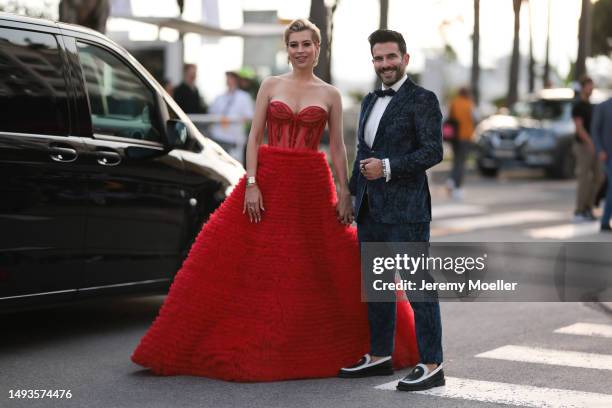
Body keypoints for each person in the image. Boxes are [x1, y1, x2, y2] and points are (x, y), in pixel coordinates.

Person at [131, 19, 419, 382]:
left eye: (306, 44)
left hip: (311, 183)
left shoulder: (330, 93)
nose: (300, 50)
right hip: (269, 178)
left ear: (318, 48)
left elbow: (337, 147)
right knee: (245, 259)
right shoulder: (270, 85)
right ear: (288, 49)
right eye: (294, 44)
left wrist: (345, 192)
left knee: (326, 261)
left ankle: (376, 341)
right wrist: (251, 183)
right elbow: (254, 139)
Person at [339, 29, 444, 392]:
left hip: (407, 212)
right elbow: (360, 154)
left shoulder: (423, 99)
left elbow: (433, 152)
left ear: (405, 59)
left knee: (418, 287)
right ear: (373, 62)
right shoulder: (369, 100)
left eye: (391, 57)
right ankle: (380, 355)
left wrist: (386, 167)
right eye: (379, 58)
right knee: (379, 288)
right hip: (370, 211)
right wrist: (353, 197)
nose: (385, 64)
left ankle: (432, 363)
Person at [572, 76, 604, 222]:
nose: (591, 89)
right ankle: (579, 210)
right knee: (583, 178)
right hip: (583, 146)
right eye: (589, 86)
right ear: (583, 87)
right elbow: (579, 128)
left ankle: (588, 207)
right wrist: (591, 143)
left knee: (599, 177)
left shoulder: (590, 105)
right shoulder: (578, 106)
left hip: (594, 146)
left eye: (592, 86)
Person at [208, 71, 254, 164]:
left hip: (234, 139)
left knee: (234, 166)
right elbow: (211, 114)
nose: (228, 80)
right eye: (227, 78)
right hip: (218, 137)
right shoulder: (219, 97)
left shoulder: (244, 97)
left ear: (236, 80)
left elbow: (250, 116)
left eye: (231, 78)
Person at [447, 87, 475, 200]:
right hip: (465, 137)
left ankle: (451, 181)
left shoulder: (454, 103)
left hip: (455, 137)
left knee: (456, 161)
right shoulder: (469, 104)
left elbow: (449, 118)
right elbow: (474, 118)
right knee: (462, 163)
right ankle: (457, 188)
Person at [592, 96, 612, 232]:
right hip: (608, 155)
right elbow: (595, 130)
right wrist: (600, 149)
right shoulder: (603, 107)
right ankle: (604, 221)